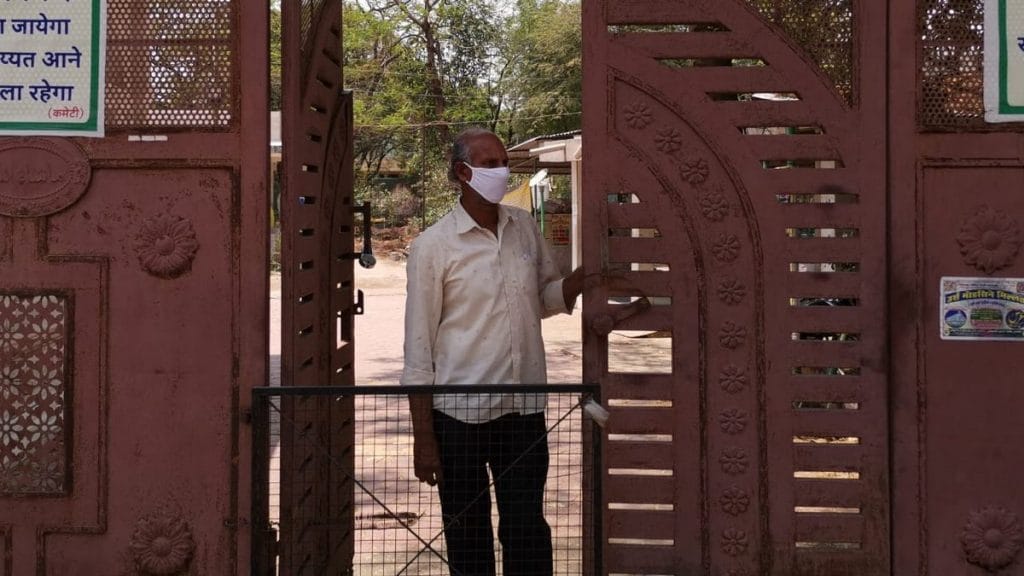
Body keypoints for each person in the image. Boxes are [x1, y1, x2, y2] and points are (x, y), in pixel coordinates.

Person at [401, 127, 585, 576]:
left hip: (522, 411)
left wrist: (584, 280)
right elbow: (418, 352)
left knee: (526, 528)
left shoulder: (523, 228)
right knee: (468, 532)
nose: (502, 170)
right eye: (490, 164)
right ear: (463, 173)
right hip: (458, 417)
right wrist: (424, 440)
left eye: (503, 161)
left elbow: (541, 298)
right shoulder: (432, 247)